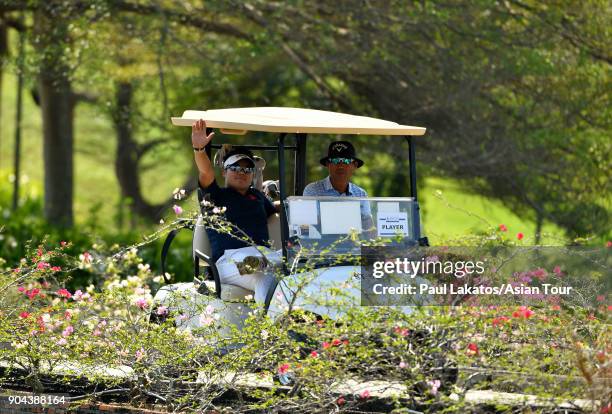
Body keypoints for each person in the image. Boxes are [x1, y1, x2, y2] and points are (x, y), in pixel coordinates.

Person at [191, 119, 279, 304]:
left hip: (259, 260)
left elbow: (279, 208)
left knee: (267, 278)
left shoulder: (258, 197)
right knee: (263, 263)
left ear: (253, 174)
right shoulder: (215, 196)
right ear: (224, 172)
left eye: (247, 169)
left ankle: (272, 327)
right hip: (228, 262)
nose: (241, 172)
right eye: (235, 168)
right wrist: (199, 150)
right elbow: (206, 173)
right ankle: (267, 262)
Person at [303, 140, 372, 218]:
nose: (341, 165)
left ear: (355, 165)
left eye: (346, 160)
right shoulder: (312, 191)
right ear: (328, 164)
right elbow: (308, 225)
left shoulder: (361, 194)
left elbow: (368, 227)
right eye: (335, 160)